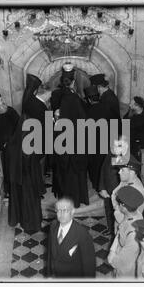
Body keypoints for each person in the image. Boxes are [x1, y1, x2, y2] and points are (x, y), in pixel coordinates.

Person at [7, 75, 46, 232]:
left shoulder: (16, 140)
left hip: (18, 178)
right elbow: (34, 158)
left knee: (20, 201)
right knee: (30, 203)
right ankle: (32, 225)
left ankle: (21, 220)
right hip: (28, 178)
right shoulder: (29, 142)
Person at [54, 69, 89, 207]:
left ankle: (65, 198)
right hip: (75, 140)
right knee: (75, 174)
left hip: (62, 139)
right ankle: (75, 200)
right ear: (73, 82)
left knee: (65, 173)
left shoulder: (59, 94)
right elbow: (82, 119)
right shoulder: (73, 98)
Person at [46, 198, 96, 278]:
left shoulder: (82, 234)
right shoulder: (53, 225)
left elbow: (89, 265)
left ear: (72, 212)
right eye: (58, 210)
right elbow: (50, 254)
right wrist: (49, 274)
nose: (61, 214)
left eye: (65, 210)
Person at [98, 135, 131, 236]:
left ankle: (119, 232)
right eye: (114, 145)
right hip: (108, 190)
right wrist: (102, 188)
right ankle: (110, 229)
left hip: (120, 193)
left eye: (119, 146)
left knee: (120, 213)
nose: (115, 148)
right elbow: (103, 171)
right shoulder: (110, 154)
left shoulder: (129, 160)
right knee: (109, 210)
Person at [107, 186, 144, 277]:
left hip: (128, 270)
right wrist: (113, 249)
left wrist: (111, 258)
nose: (118, 205)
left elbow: (122, 261)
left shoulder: (133, 235)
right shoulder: (135, 214)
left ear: (123, 207)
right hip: (121, 251)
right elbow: (120, 231)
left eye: (119, 203)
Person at [83, 85, 113, 191]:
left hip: (92, 143)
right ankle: (103, 185)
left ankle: (96, 184)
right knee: (103, 164)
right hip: (105, 142)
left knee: (93, 165)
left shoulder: (87, 112)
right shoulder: (107, 108)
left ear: (89, 99)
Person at [111, 156, 144, 227]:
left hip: (127, 226)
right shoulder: (126, 181)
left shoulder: (135, 190)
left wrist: (116, 206)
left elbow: (124, 218)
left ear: (132, 172)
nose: (119, 172)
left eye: (122, 170)